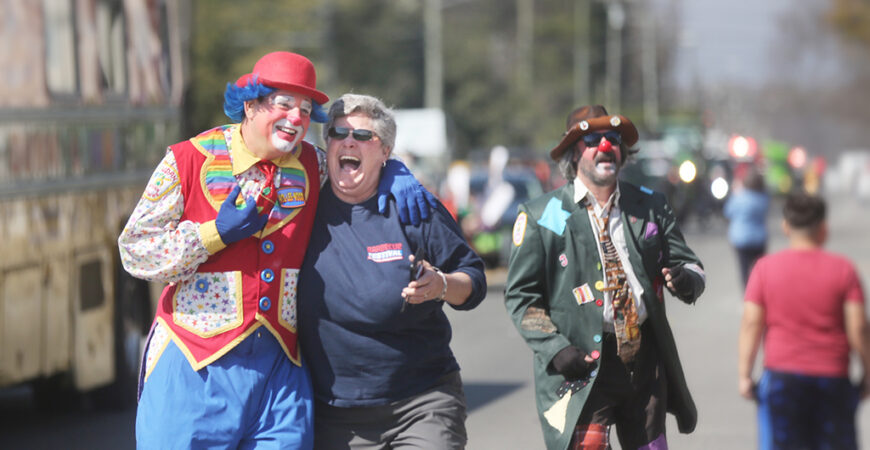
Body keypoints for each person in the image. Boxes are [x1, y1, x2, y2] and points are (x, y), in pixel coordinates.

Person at [118, 52, 435, 448]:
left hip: (281, 371)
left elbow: (358, 165)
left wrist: (394, 171)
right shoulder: (187, 160)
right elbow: (135, 251)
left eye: (304, 109)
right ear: (250, 105)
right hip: (193, 364)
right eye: (283, 103)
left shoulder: (314, 166)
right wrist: (212, 234)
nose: (296, 118)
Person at [504, 105, 706, 450]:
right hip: (580, 369)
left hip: (644, 365)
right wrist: (556, 350)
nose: (605, 146)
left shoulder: (651, 205)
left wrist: (686, 279)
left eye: (612, 139)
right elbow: (522, 298)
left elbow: (692, 265)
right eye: (592, 140)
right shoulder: (542, 216)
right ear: (573, 153)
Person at [296, 93, 486, 449]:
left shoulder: (413, 207)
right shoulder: (302, 206)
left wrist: (441, 284)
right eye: (338, 134)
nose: (349, 141)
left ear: (385, 151)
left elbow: (473, 280)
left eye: (364, 136)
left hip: (421, 401)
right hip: (334, 415)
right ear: (327, 145)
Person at [737, 191, 868, 450]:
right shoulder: (844, 270)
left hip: (782, 382)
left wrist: (744, 375)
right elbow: (859, 328)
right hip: (832, 380)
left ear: (785, 226)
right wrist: (868, 372)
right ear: (823, 229)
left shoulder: (764, 269)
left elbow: (752, 324)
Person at [723, 166, 770, 288]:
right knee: (759, 269)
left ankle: (748, 294)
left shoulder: (738, 198)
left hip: (741, 239)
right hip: (759, 239)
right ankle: (759, 292)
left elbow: (727, 212)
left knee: (744, 269)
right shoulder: (763, 199)